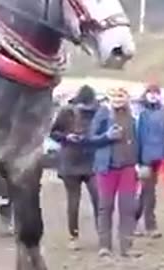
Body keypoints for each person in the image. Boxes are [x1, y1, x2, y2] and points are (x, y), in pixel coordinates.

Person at [89, 87, 141, 258]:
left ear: (127, 98)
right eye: (115, 96)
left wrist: (140, 163)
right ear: (109, 98)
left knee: (127, 207)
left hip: (128, 167)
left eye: (122, 96)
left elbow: (137, 140)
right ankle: (104, 245)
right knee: (106, 206)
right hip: (107, 167)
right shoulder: (103, 114)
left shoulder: (132, 117)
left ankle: (127, 246)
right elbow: (91, 138)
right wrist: (107, 136)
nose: (118, 99)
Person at [49, 84, 99, 250]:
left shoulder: (99, 111)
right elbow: (53, 132)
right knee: (74, 200)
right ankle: (73, 235)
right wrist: (66, 137)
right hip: (70, 161)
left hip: (92, 161)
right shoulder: (66, 112)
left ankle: (102, 233)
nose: (85, 108)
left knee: (98, 197)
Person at [135, 85, 164, 239]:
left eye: (156, 93)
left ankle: (132, 221)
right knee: (149, 192)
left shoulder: (163, 113)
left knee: (146, 192)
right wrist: (138, 160)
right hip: (145, 157)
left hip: (158, 157)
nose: (154, 96)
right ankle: (150, 225)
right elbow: (138, 136)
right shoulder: (141, 114)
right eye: (151, 93)